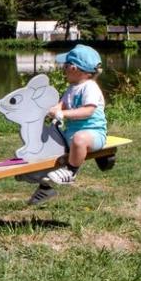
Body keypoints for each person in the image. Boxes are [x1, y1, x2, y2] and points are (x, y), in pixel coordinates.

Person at [42, 44, 107, 188]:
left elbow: (88, 111)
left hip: (93, 134)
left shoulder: (90, 87)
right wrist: (52, 111)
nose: (63, 69)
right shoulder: (72, 88)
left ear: (73, 68)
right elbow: (62, 104)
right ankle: (40, 170)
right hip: (71, 134)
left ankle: (70, 172)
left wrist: (62, 114)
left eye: (64, 66)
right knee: (51, 137)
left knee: (79, 140)